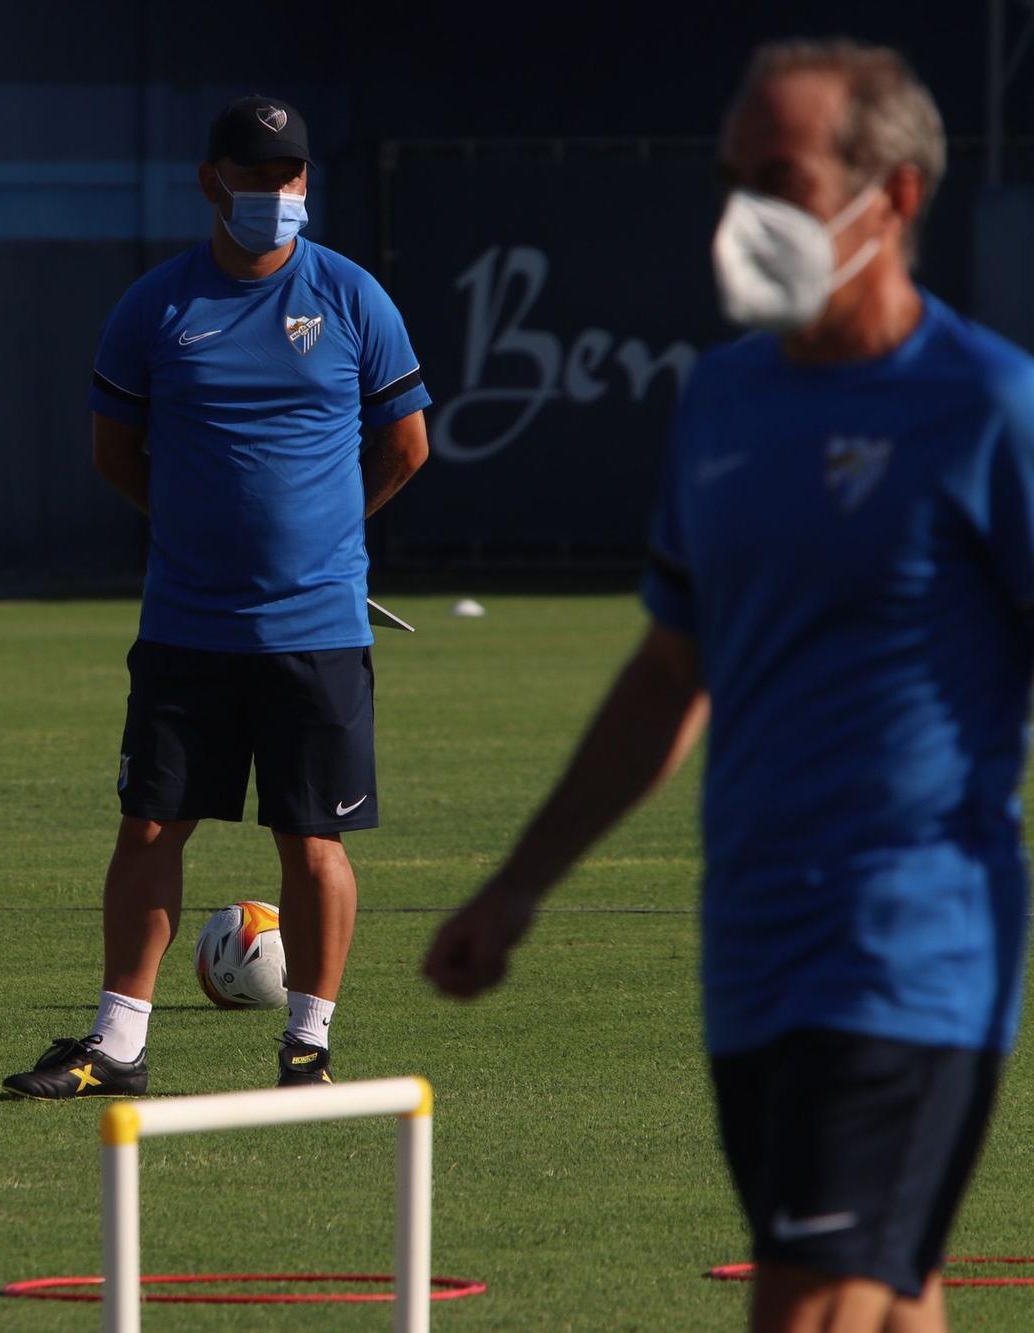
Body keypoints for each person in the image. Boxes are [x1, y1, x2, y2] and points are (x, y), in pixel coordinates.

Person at [425, 40, 1034, 1333]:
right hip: (751, 951)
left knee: (808, 1307)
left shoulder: (989, 407)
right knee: (891, 1299)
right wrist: (518, 880)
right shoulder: (721, 401)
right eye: (730, 179)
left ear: (897, 198)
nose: (743, 215)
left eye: (780, 178)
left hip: (910, 951)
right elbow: (669, 672)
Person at [2, 95, 431, 1100]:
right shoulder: (153, 306)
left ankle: (308, 1047)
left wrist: (330, 530)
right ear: (210, 181)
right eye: (254, 175)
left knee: (310, 838)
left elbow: (407, 444)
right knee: (150, 828)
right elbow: (114, 455)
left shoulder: (353, 296)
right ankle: (116, 1045)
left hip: (313, 626)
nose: (275, 195)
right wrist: (198, 530)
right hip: (188, 626)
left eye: (290, 177)